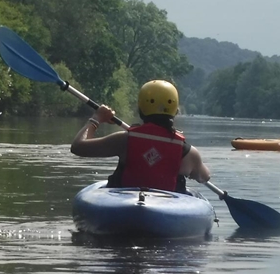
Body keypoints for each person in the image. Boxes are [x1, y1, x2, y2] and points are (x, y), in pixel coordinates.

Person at [70, 80, 211, 193]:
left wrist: (96, 119)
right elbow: (204, 177)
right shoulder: (188, 153)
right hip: (167, 209)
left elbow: (78, 146)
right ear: (175, 110)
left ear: (141, 108)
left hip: (124, 205)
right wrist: (192, 170)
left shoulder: (124, 140)